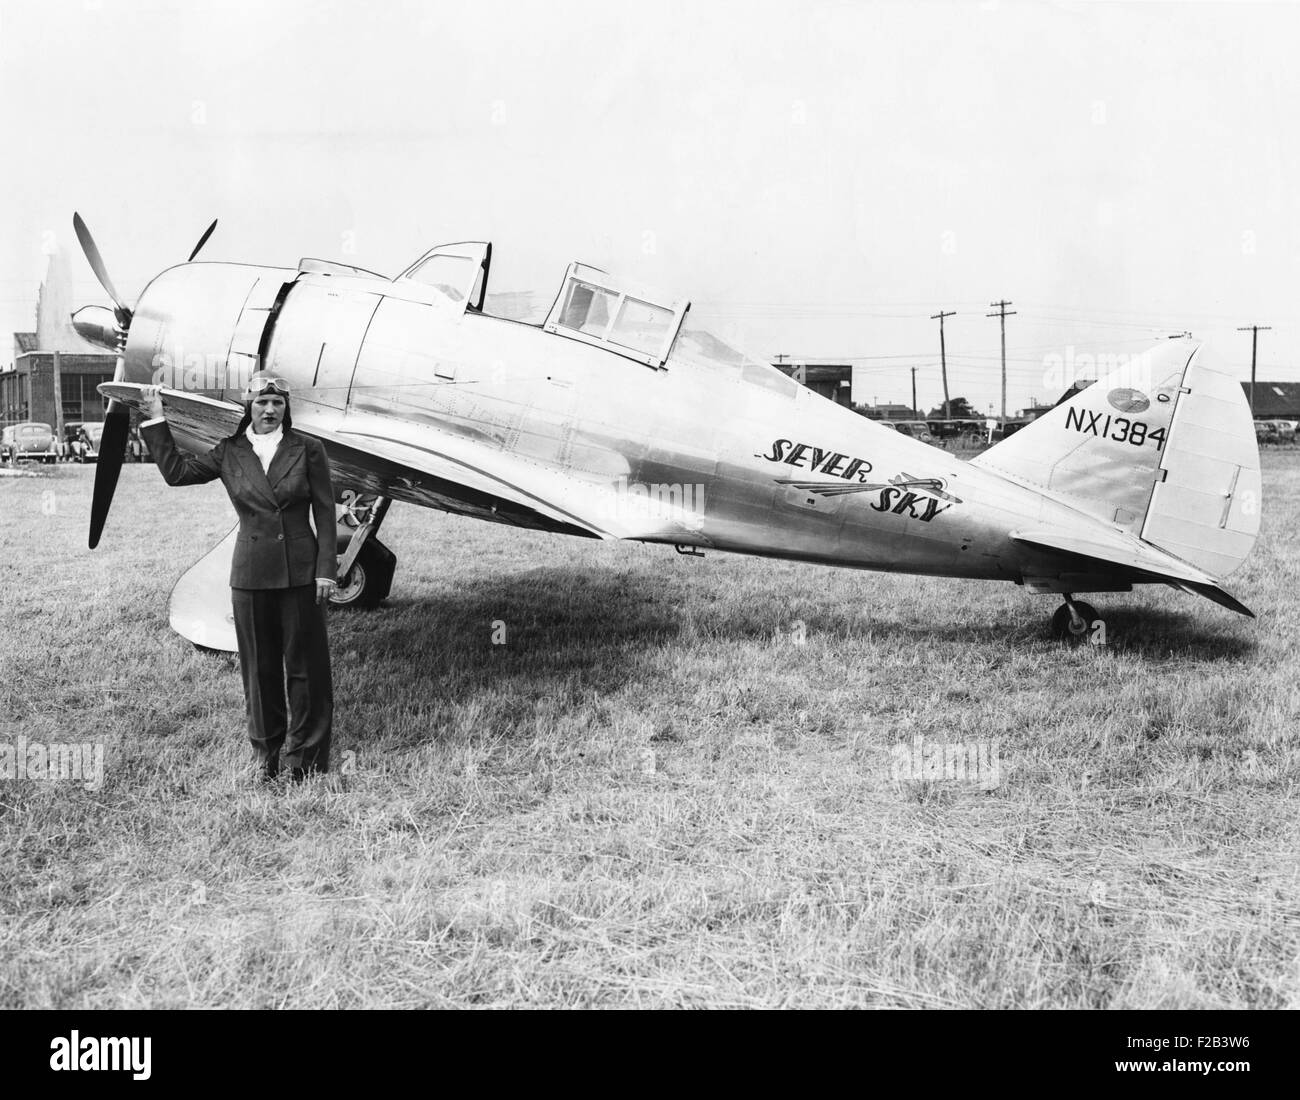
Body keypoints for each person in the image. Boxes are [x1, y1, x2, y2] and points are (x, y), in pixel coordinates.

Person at [140, 374, 338, 783]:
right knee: (259, 670)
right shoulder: (230, 451)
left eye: (277, 403)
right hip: (250, 574)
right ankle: (266, 757)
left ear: (286, 408)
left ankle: (306, 759)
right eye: (262, 401)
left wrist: (325, 572)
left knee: (307, 669)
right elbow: (177, 473)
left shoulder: (308, 449)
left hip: (301, 572)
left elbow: (324, 511)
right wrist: (157, 420)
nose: (270, 410)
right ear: (248, 406)